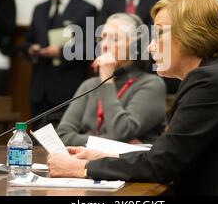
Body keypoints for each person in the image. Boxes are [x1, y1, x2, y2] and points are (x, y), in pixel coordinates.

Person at [47, 0, 218, 196]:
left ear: (191, 36)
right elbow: (170, 153)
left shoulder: (211, 81)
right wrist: (106, 158)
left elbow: (162, 164)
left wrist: (80, 169)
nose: (150, 46)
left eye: (160, 33)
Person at [57, 13, 166, 146]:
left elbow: (121, 131)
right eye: (102, 38)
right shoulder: (89, 85)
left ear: (135, 47)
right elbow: (62, 136)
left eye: (114, 39)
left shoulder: (152, 85)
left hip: (128, 166)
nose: (104, 45)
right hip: (84, 163)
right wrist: (113, 142)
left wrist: (107, 80)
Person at [24, 0, 97, 127]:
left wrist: (61, 52)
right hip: (40, 90)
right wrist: (31, 49)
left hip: (67, 90)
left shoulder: (85, 9)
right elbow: (27, 41)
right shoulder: (40, 9)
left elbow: (90, 48)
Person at [97, 0, 180, 94]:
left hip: (146, 69)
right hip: (115, 69)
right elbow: (99, 33)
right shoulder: (109, 2)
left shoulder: (156, 3)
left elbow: (154, 37)